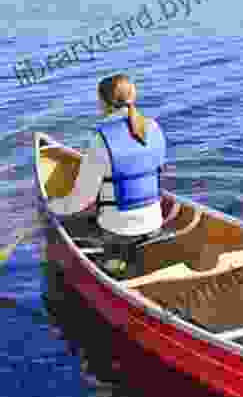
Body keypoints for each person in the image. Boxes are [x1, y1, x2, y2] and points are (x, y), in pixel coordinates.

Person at [49, 74, 167, 278]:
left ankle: (114, 269)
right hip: (155, 223)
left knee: (85, 226)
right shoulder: (154, 128)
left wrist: (52, 206)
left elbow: (81, 200)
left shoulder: (100, 140)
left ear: (104, 103)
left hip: (119, 233)